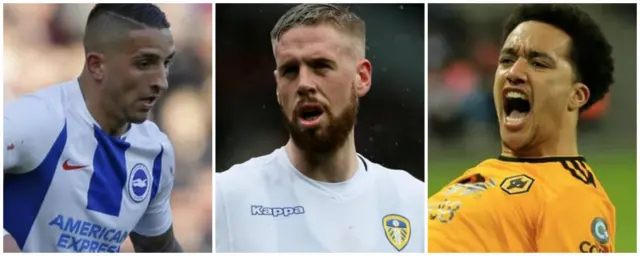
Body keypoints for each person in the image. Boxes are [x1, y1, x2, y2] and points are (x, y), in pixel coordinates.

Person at [215, 4, 424, 253]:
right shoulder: (228, 197)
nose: (304, 84)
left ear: (362, 78)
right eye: (290, 71)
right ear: (277, 86)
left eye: (321, 66)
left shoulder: (412, 201)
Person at [428, 4, 616, 253]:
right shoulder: (484, 172)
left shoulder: (570, 195)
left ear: (576, 95)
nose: (513, 73)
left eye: (539, 63)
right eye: (506, 60)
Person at [4, 4, 183, 252]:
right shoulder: (40, 120)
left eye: (166, 63)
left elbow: (159, 247)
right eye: (144, 63)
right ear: (97, 65)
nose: (161, 82)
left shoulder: (156, 151)